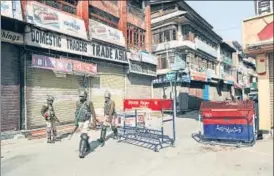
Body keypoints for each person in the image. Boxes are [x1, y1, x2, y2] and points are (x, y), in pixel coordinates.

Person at [74, 90, 97, 158]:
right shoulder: (77, 103)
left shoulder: (89, 102)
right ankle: (88, 147)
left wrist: (94, 122)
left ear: (85, 96)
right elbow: (77, 112)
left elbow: (93, 112)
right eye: (80, 96)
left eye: (82, 96)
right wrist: (76, 122)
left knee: (84, 135)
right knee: (84, 135)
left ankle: (81, 152)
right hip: (80, 121)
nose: (80, 97)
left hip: (86, 121)